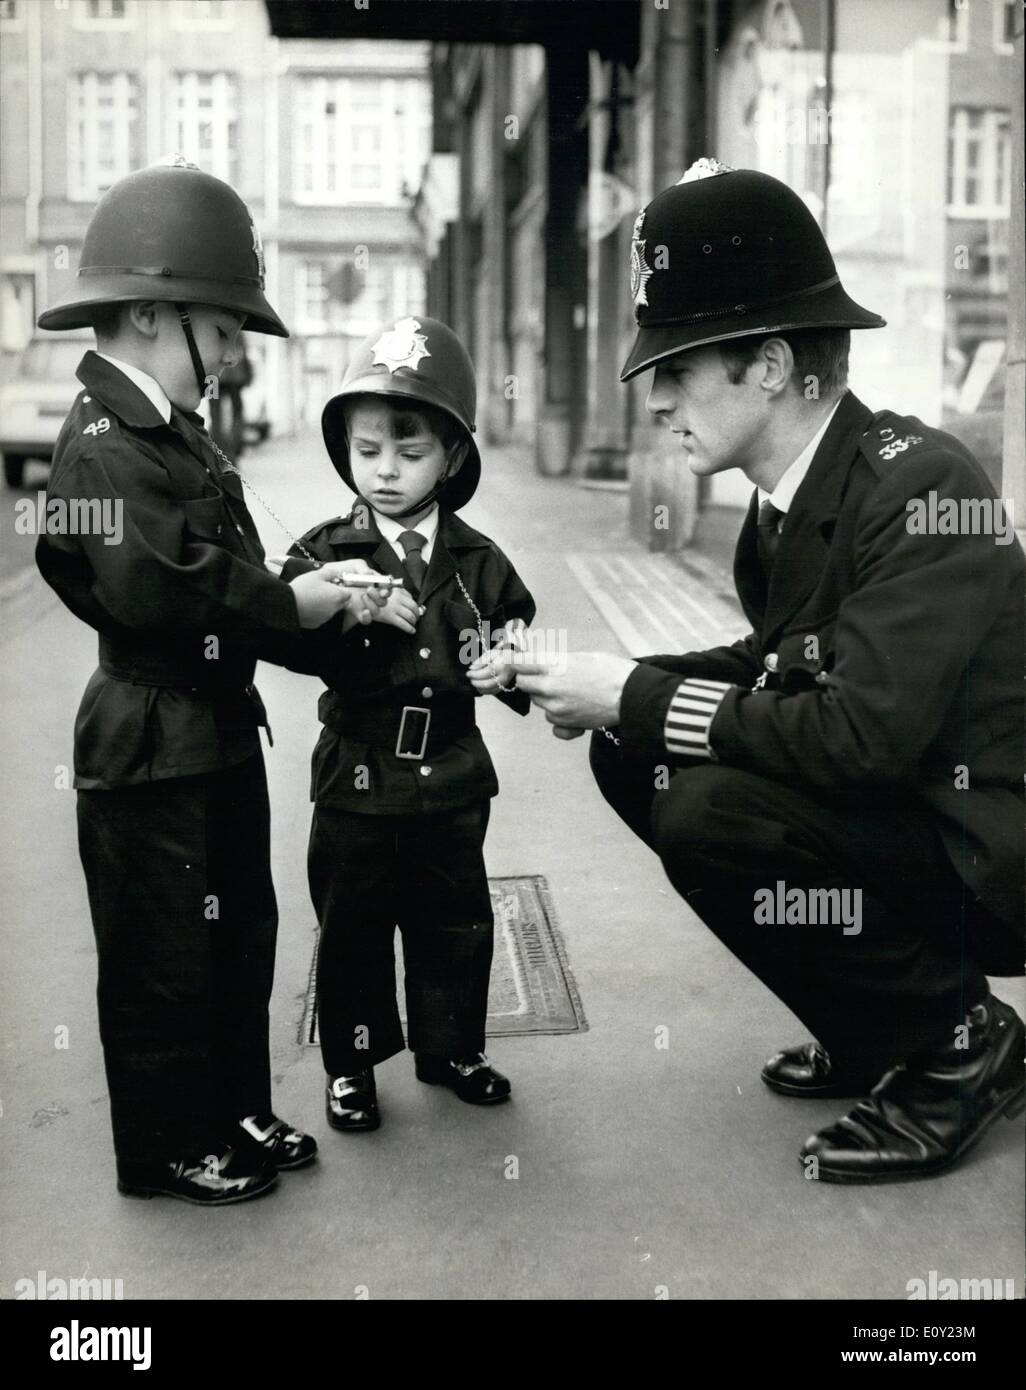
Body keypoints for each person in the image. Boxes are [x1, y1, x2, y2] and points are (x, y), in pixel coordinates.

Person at [508, 160, 1025, 1184]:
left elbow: (859, 733)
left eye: (680, 368)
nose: (655, 400)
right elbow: (770, 664)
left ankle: (962, 1043)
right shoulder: (784, 502)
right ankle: (877, 1021)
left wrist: (636, 692)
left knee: (709, 811)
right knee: (634, 748)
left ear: (776, 364)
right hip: (908, 819)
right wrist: (608, 682)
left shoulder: (921, 484)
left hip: (986, 846)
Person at [35, 157, 386, 1205]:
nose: (234, 354)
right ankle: (167, 1143)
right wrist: (296, 606)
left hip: (210, 724)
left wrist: (301, 587)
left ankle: (231, 1103)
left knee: (237, 936)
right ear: (151, 313)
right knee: (164, 957)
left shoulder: (167, 432)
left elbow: (213, 573)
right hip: (150, 734)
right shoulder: (103, 446)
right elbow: (163, 590)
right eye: (225, 328)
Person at [281, 315, 536, 1133]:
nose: (386, 472)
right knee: (353, 922)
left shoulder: (480, 559)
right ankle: (352, 1066)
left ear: (452, 457)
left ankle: (451, 1046)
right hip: (356, 774)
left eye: (410, 450)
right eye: (367, 451)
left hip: (454, 774)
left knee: (455, 916)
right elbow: (282, 637)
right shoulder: (325, 554)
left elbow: (513, 631)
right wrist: (342, 612)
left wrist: (508, 664)